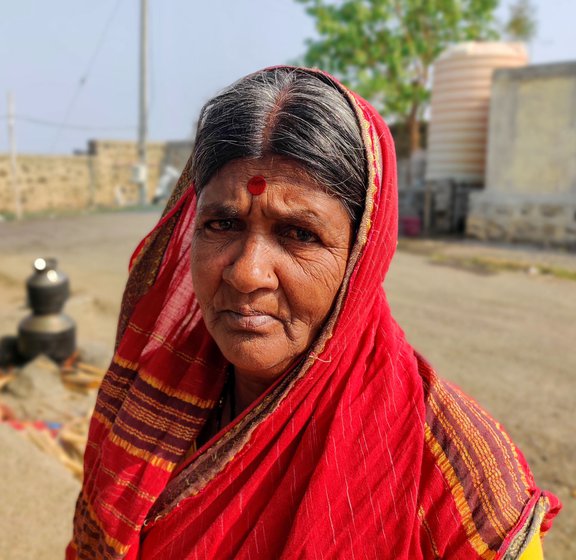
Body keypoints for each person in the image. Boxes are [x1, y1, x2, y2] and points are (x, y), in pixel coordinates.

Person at [68, 67, 560, 559]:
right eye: (222, 224)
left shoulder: (455, 472)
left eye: (300, 234)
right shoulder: (151, 401)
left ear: (360, 256)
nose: (247, 273)